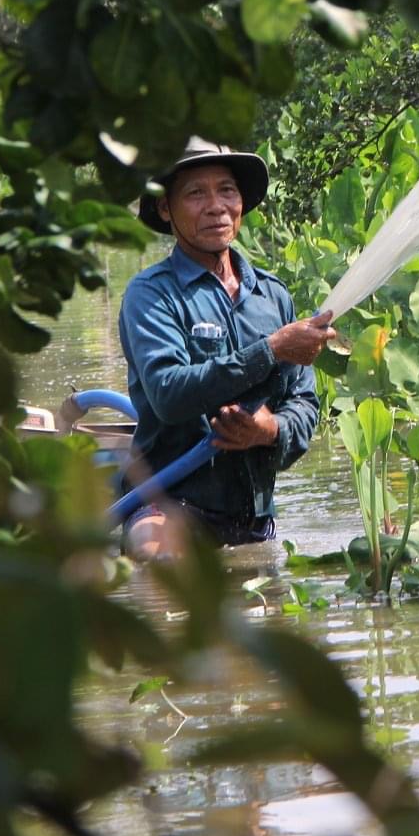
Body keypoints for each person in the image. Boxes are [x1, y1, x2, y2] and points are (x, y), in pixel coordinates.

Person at [117, 139, 337, 558]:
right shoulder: (150, 295)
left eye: (227, 190)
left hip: (252, 521)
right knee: (156, 557)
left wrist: (269, 431)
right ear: (165, 209)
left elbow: (304, 402)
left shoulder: (272, 296)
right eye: (196, 193)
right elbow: (168, 394)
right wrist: (270, 350)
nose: (216, 205)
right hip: (166, 505)